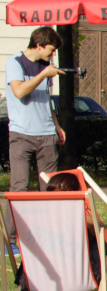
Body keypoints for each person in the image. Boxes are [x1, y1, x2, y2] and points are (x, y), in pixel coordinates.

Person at [4, 27, 66, 250]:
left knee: (49, 188)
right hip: (21, 135)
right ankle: (11, 242)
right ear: (38, 45)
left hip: (47, 135)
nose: (53, 55)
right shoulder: (15, 63)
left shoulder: (45, 67)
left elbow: (46, 100)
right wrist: (43, 75)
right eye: (51, 50)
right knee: (19, 188)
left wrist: (57, 126)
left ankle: (46, 238)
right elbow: (19, 92)